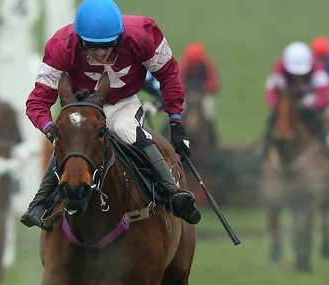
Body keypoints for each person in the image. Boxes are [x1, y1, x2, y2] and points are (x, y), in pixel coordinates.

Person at [23, 0, 200, 230]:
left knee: (126, 130)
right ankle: (39, 203)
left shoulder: (145, 35)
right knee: (71, 141)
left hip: (123, 102)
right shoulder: (61, 46)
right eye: (92, 46)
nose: (101, 53)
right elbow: (37, 103)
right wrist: (51, 131)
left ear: (120, 37)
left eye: (108, 45)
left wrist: (176, 123)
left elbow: (168, 76)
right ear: (80, 40)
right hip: (83, 105)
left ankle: (172, 191)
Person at [264, 41, 329, 149]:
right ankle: (265, 145)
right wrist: (277, 106)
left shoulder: (317, 68)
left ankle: (324, 143)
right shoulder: (280, 67)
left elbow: (324, 97)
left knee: (316, 118)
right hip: (290, 97)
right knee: (275, 117)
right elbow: (272, 93)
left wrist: (310, 107)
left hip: (309, 98)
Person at [178, 42, 220, 121]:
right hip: (186, 92)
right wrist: (186, 89)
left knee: (208, 111)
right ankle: (169, 126)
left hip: (203, 92)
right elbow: (179, 81)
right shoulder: (184, 65)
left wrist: (206, 88)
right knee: (178, 110)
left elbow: (214, 83)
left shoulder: (208, 65)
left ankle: (211, 127)